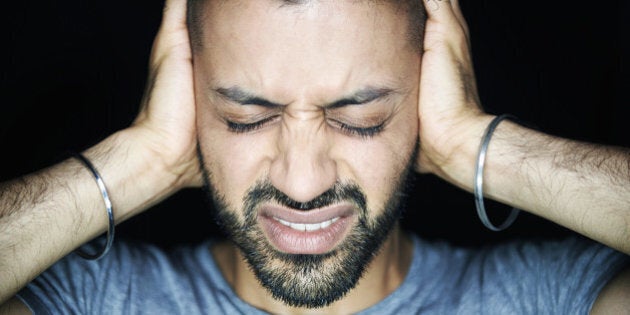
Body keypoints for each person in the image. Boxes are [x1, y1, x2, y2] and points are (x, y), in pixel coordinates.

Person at [0, 0, 628, 313]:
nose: (303, 181)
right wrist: (144, 159)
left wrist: (479, 145)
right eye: (246, 117)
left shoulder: (548, 300)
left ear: (429, 93)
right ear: (187, 96)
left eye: (361, 118)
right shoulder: (88, 301)